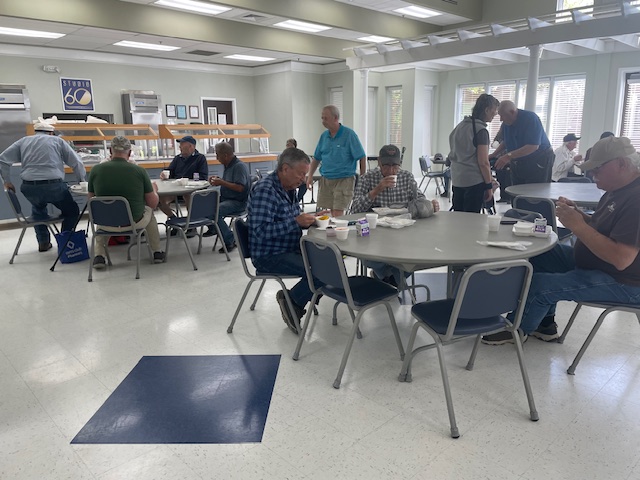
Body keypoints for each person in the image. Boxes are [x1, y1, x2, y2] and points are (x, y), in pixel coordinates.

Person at [482, 136, 640, 345]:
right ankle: (544, 324)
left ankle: (517, 330)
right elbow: (606, 228)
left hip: (623, 282)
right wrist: (581, 216)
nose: (592, 175)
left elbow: (621, 259)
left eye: (597, 169)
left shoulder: (636, 199)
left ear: (621, 164)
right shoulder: (617, 190)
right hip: (599, 264)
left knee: (540, 285)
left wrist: (579, 226)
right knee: (539, 252)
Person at [248, 147, 326, 334]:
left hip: (289, 247)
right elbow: (260, 231)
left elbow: (291, 218)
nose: (303, 179)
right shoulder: (265, 191)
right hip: (269, 255)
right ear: (285, 169)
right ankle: (293, 301)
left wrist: (311, 218)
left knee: (330, 261)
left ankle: (297, 297)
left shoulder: (289, 188)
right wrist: (296, 222)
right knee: (322, 271)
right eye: (301, 174)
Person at [351, 144, 440, 286]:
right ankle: (387, 277)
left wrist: (431, 205)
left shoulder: (406, 177)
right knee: (368, 257)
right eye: (386, 165)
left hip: (404, 232)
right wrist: (377, 189)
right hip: (376, 233)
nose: (391, 170)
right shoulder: (367, 178)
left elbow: (420, 199)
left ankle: (388, 279)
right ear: (379, 162)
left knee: (417, 255)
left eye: (395, 166)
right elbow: (354, 209)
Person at [0, 122, 85, 252]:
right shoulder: (58, 141)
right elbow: (77, 162)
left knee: (38, 210)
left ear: (36, 131)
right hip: (54, 186)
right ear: (51, 132)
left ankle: (43, 242)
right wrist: (81, 181)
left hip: (29, 188)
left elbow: (3, 159)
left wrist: (7, 181)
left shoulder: (24, 141)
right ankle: (65, 241)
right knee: (72, 211)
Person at [87, 136, 165, 269]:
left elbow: (91, 201)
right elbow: (152, 203)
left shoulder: (96, 170)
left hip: (106, 224)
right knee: (149, 212)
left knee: (103, 216)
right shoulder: (139, 171)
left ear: (110, 151)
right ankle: (157, 252)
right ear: (129, 153)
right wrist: (154, 190)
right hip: (133, 222)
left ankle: (99, 256)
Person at [307, 105, 366, 217]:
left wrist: (363, 178)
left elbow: (362, 156)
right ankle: (331, 233)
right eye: (322, 118)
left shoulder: (349, 135)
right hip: (326, 179)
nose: (323, 121)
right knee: (327, 213)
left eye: (326, 118)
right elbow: (316, 158)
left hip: (344, 179)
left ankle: (339, 232)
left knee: (338, 213)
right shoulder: (324, 136)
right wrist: (309, 176)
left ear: (335, 118)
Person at [448, 94, 500, 213]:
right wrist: (488, 186)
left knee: (458, 217)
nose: (496, 114)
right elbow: (483, 162)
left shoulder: (459, 127)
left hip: (457, 179)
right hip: (474, 182)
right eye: (494, 110)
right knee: (472, 221)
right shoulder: (481, 131)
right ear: (486, 110)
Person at [493, 100, 554, 187]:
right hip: (519, 160)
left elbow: (533, 146)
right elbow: (506, 141)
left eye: (503, 115)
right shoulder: (506, 123)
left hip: (539, 159)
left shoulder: (530, 118)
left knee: (534, 192)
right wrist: (494, 154)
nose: (501, 119)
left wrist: (508, 156)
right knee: (516, 189)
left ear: (512, 112)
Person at [203, 141, 250, 253]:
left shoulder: (239, 166)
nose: (216, 157)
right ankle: (214, 228)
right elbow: (230, 182)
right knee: (205, 204)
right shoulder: (228, 166)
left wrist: (222, 183)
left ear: (225, 155)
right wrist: (219, 180)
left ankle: (230, 239)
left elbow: (240, 187)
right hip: (227, 198)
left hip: (238, 202)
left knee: (214, 211)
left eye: (217, 154)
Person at [158, 135, 208, 220]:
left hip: (191, 189)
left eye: (182, 145)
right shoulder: (178, 158)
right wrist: (165, 173)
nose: (180, 147)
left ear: (191, 146)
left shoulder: (200, 158)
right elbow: (170, 170)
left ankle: (192, 221)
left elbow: (203, 176)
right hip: (175, 189)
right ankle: (173, 218)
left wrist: (189, 180)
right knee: (158, 199)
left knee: (188, 196)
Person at [287, 138, 306, 203]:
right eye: (287, 145)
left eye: (290, 145)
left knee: (304, 185)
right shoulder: (284, 156)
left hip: (296, 176)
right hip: (287, 179)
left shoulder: (298, 155)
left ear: (294, 146)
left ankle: (297, 201)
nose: (288, 147)